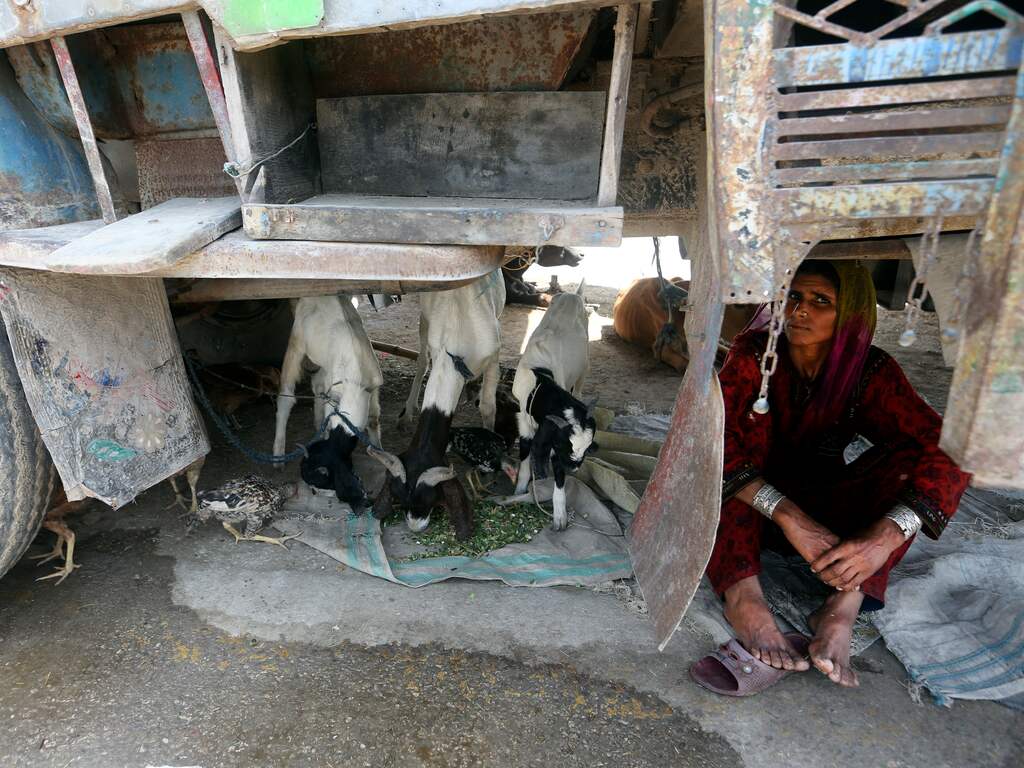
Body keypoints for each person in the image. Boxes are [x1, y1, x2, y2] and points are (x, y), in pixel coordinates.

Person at [703, 259, 970, 690]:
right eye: (793, 296)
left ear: (852, 314)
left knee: (913, 460)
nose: (800, 310)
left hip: (827, 508)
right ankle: (744, 598)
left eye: (820, 301)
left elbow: (947, 452)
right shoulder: (755, 352)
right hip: (750, 509)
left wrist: (883, 538)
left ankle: (843, 604)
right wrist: (791, 519)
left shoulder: (871, 371)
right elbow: (716, 442)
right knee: (725, 450)